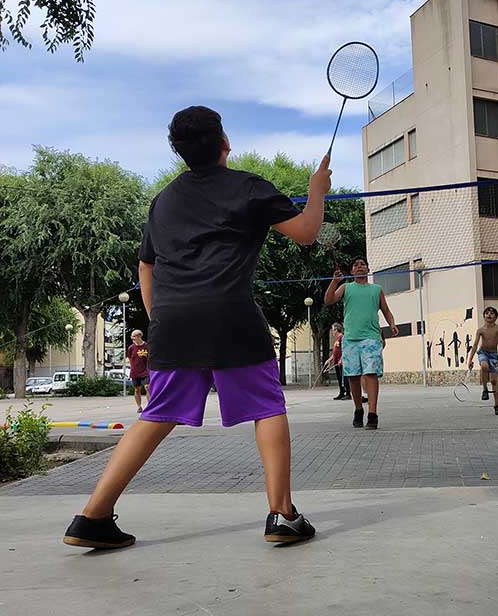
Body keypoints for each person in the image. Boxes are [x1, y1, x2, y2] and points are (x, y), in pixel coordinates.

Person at [62, 106, 331, 549]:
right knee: (267, 406)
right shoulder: (249, 187)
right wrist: (316, 191)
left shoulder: (163, 199)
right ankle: (282, 515)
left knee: (155, 416)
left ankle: (92, 516)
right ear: (225, 143)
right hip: (230, 316)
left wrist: (159, 317)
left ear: (179, 152)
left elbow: (146, 265)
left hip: (171, 321)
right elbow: (306, 231)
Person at [323, 257, 397, 429]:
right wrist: (334, 281)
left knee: (371, 374)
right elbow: (328, 300)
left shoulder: (376, 290)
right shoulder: (346, 287)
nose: (359, 267)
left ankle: (372, 414)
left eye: (362, 264)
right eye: (356, 265)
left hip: (371, 338)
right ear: (352, 271)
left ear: (368, 269)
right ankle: (358, 409)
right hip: (350, 339)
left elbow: (386, 311)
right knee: (354, 377)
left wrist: (392, 323)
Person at [322, 323, 348, 400]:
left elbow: (345, 350)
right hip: (336, 362)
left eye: (333, 330)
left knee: (344, 378)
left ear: (336, 330)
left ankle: (348, 393)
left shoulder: (342, 338)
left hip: (341, 362)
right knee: (339, 378)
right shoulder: (337, 339)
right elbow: (335, 352)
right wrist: (329, 360)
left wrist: (341, 359)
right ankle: (341, 392)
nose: (332, 332)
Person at [126, 329, 150, 413]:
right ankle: (139, 407)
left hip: (145, 371)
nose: (132, 339)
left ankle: (149, 405)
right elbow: (129, 358)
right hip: (135, 372)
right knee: (137, 390)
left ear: (139, 336)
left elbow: (150, 358)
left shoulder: (147, 346)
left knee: (147, 387)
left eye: (134, 337)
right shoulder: (131, 348)